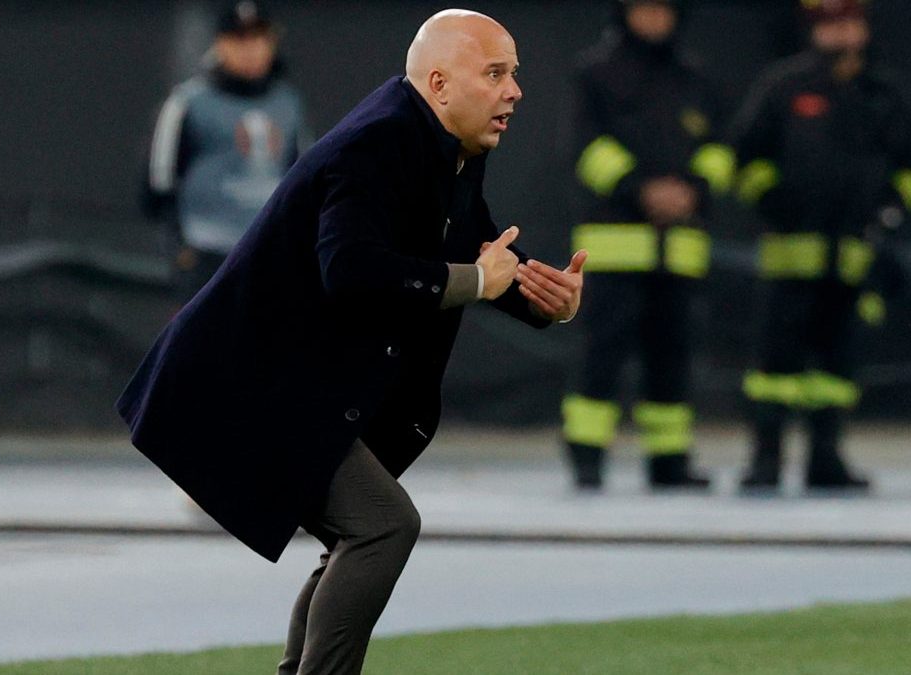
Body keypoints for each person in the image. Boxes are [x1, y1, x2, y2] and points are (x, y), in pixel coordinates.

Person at [116, 9, 586, 674]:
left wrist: (546, 302)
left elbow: (479, 254)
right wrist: (478, 279)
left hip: (293, 383)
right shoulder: (379, 143)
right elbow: (354, 272)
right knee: (383, 524)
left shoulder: (446, 147)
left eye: (514, 73)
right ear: (441, 84)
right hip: (255, 381)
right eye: (496, 73)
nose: (515, 90)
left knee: (361, 531)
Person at [730, 0, 911, 493]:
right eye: (831, 24)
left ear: (863, 27)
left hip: (852, 254)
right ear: (814, 30)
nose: (842, 33)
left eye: (850, 22)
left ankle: (826, 459)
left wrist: (891, 206)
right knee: (775, 367)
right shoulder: (784, 85)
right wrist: (772, 199)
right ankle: (766, 459)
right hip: (789, 254)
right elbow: (743, 155)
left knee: (836, 368)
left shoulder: (885, 93)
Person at [561, 0, 731, 491]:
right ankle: (587, 455)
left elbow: (720, 149)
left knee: (672, 357)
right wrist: (640, 188)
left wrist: (694, 188)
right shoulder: (595, 72)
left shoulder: (695, 77)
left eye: (664, 9)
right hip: (614, 246)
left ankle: (670, 459)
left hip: (678, 249)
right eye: (645, 9)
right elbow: (585, 145)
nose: (655, 18)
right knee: (602, 353)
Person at [142, 1, 310, 306]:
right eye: (239, 39)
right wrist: (180, 248)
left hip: (269, 252)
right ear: (220, 43)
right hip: (208, 253)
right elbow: (159, 183)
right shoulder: (188, 103)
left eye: (258, 38)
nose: (250, 49)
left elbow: (303, 178)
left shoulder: (288, 104)